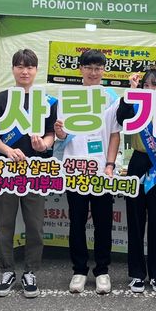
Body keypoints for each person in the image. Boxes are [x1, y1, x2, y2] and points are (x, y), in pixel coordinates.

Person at [0, 49, 56, 298]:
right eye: (20, 66)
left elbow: (51, 133)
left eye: (30, 67)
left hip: (35, 170)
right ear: (13, 69)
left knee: (35, 224)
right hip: (5, 170)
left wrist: (44, 145)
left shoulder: (47, 101)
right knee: (5, 223)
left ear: (37, 70)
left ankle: (30, 271)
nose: (25, 71)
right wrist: (6, 150)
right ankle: (6, 270)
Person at [54, 49, 121, 295]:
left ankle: (102, 270)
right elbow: (61, 135)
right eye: (89, 67)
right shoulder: (67, 96)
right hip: (75, 167)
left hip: (102, 168)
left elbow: (115, 134)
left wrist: (110, 164)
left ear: (104, 70)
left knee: (104, 221)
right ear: (80, 69)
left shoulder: (111, 97)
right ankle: (79, 270)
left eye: (98, 68)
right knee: (77, 221)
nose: (94, 72)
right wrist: (60, 133)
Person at [116, 69, 156, 293]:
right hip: (138, 164)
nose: (151, 89)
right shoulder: (134, 107)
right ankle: (137, 273)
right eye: (147, 85)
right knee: (135, 220)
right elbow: (119, 119)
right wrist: (130, 92)